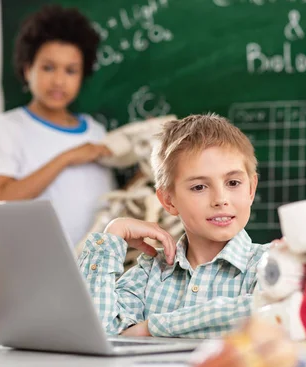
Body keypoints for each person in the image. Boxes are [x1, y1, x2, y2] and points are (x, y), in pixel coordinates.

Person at [77, 113, 267, 338]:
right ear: (168, 200)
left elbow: (266, 313)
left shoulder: (271, 263)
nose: (220, 199)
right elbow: (93, 335)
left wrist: (151, 328)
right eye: (199, 187)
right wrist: (113, 235)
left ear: (251, 188)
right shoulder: (149, 274)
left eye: (233, 183)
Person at [0, 5, 115, 246]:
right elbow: (0, 199)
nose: (59, 81)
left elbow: (111, 199)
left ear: (82, 76)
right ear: (27, 68)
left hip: (97, 268)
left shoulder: (95, 131)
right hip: (39, 263)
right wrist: (68, 157)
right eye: (48, 67)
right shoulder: (7, 127)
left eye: (71, 71)